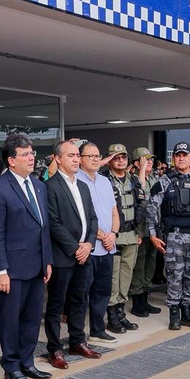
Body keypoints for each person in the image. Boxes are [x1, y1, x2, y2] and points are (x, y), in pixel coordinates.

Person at [0, 134, 53, 379]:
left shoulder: (38, 186)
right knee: (10, 319)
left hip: (36, 265)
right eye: (25, 154)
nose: (31, 157)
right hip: (11, 268)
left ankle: (27, 361)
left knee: (33, 317)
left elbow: (43, 227)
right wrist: (0, 270)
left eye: (32, 153)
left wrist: (47, 260)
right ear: (11, 161)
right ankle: (11, 365)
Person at [146, 141, 190, 330]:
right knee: (174, 275)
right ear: (173, 158)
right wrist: (153, 234)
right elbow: (151, 209)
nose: (181, 158)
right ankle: (174, 314)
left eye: (185, 155)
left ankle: (187, 311)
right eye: (178, 155)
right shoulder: (165, 181)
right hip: (174, 237)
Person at [43, 140, 99, 369]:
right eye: (71, 155)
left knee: (79, 300)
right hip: (63, 256)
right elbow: (53, 223)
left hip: (84, 254)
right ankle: (54, 348)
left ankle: (77, 341)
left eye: (78, 155)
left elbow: (93, 219)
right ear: (57, 158)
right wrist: (76, 248)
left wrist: (89, 245)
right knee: (56, 305)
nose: (76, 159)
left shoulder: (83, 186)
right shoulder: (50, 186)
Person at [77, 141, 120, 346]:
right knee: (81, 293)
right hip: (88, 247)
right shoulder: (76, 180)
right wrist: (102, 235)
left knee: (102, 291)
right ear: (80, 158)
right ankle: (77, 336)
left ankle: (97, 329)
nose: (95, 159)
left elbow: (114, 211)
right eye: (90, 156)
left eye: (97, 155)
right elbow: (82, 216)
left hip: (108, 247)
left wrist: (113, 233)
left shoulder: (105, 181)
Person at [103, 144, 143, 334]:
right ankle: (111, 313)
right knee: (113, 276)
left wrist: (140, 232)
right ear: (109, 160)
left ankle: (120, 311)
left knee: (126, 275)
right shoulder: (103, 180)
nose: (120, 161)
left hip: (132, 235)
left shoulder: (133, 180)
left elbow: (141, 205)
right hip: (113, 236)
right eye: (116, 158)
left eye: (123, 158)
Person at [128, 147, 162, 318]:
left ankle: (145, 297)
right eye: (145, 159)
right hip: (140, 230)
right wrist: (141, 170)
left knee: (150, 264)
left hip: (153, 230)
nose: (150, 162)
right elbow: (140, 196)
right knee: (139, 267)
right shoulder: (133, 180)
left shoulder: (152, 179)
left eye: (151, 159)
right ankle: (137, 302)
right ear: (136, 163)